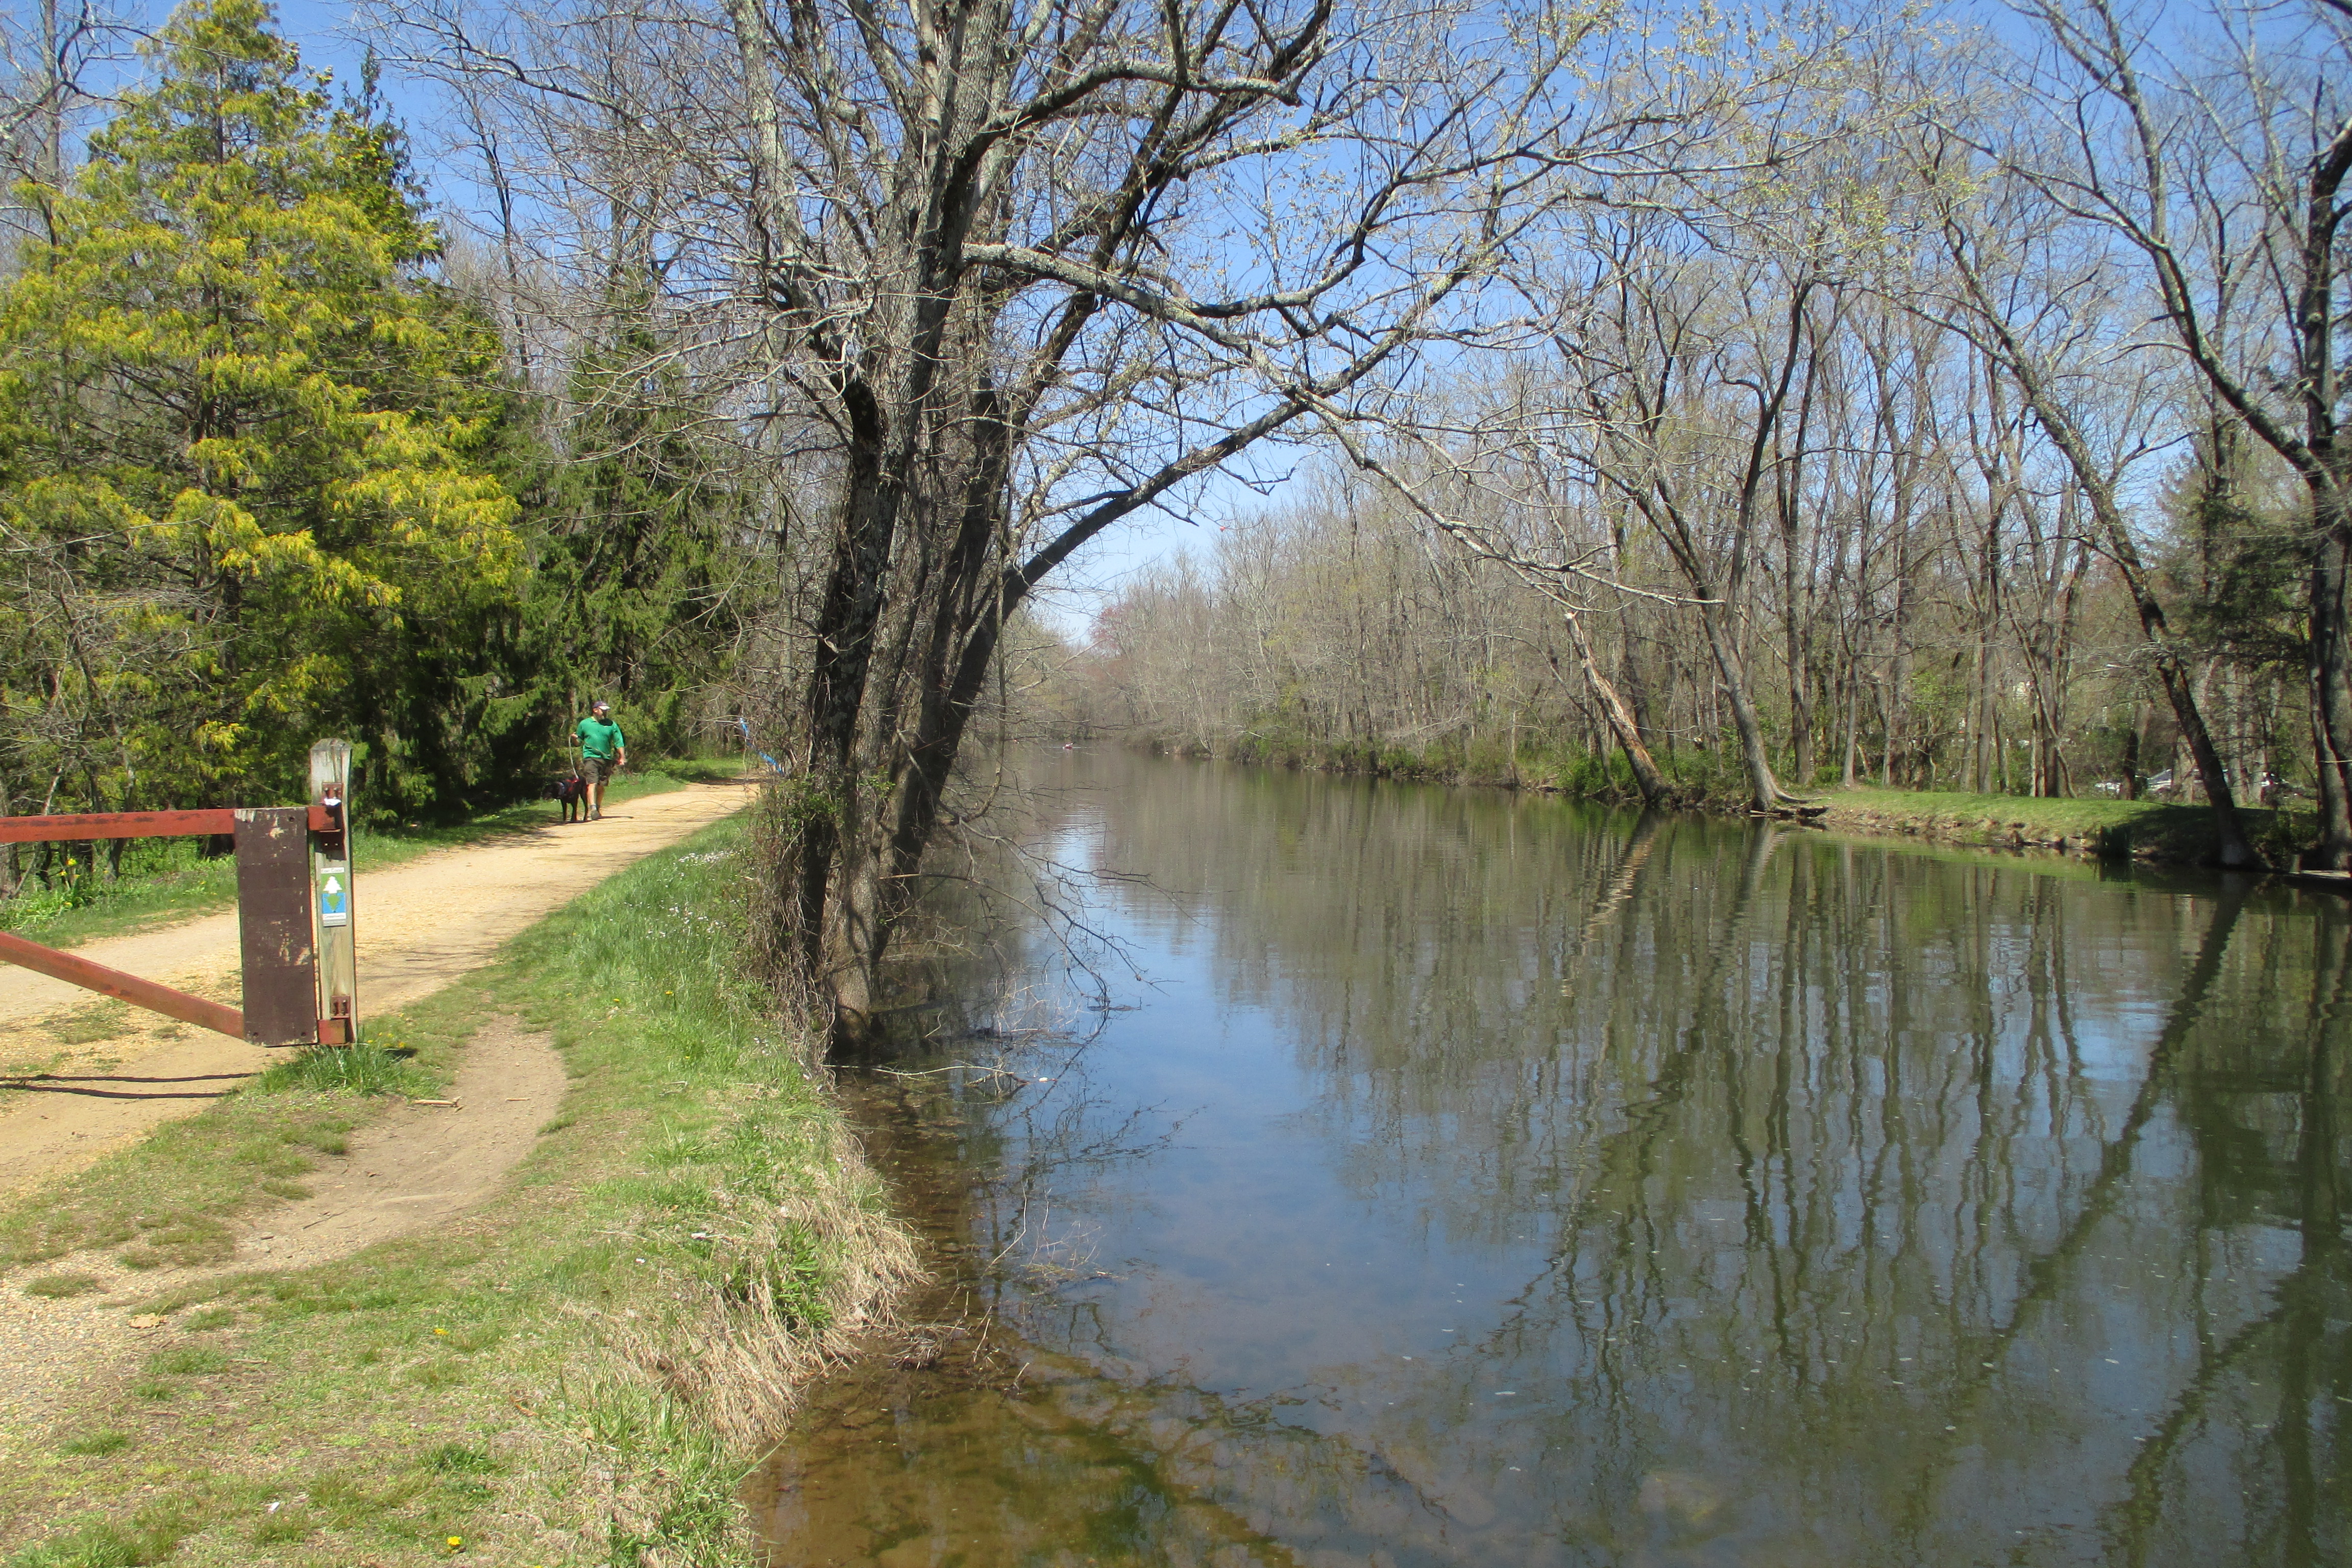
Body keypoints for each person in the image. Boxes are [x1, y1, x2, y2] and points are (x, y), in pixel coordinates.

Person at [575, 700, 627, 820]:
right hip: (590, 757)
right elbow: (578, 741)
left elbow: (619, 741)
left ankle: (598, 807)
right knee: (592, 782)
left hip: (606, 759)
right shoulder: (585, 724)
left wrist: (622, 757)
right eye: (603, 710)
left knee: (601, 785)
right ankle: (592, 809)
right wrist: (575, 739)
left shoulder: (611, 724)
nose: (605, 712)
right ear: (595, 710)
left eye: (606, 710)